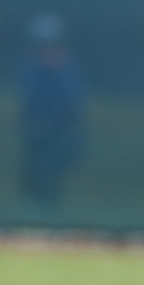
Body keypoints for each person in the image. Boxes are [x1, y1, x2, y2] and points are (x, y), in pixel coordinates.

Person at [18, 12, 87, 209]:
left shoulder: (68, 68)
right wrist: (31, 117)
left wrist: (69, 119)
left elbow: (74, 97)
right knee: (33, 160)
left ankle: (51, 200)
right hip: (36, 122)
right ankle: (30, 199)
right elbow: (27, 95)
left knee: (55, 162)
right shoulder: (30, 67)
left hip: (60, 124)